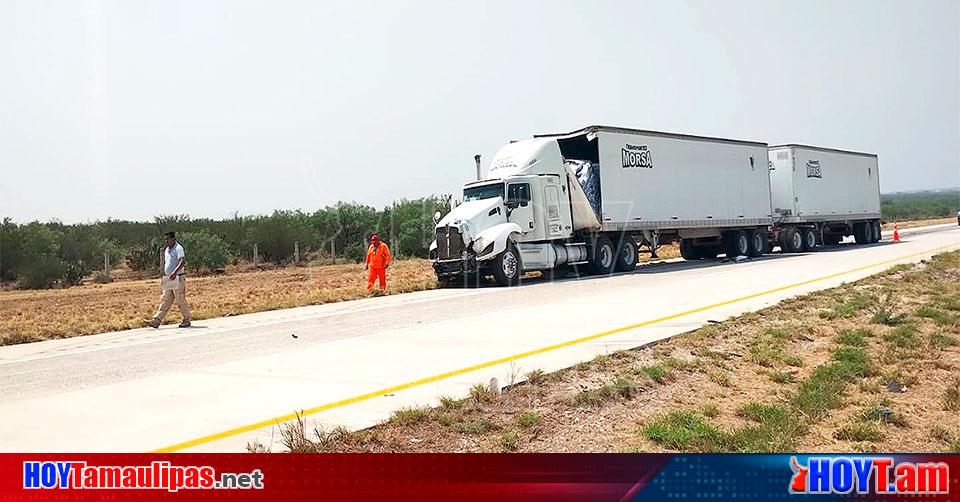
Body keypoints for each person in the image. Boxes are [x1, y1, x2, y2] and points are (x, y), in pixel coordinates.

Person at [147, 231, 191, 328]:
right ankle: (157, 320)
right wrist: (165, 274)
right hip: (168, 278)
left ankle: (186, 319)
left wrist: (174, 272)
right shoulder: (167, 250)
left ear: (173, 239)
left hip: (178, 277)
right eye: (165, 239)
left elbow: (182, 261)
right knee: (165, 299)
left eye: (168, 239)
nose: (166, 241)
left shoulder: (178, 248)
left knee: (180, 299)